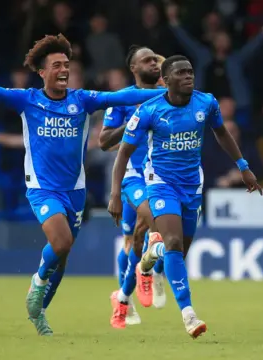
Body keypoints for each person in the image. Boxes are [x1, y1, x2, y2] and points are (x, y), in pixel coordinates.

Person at [0, 34, 165, 336]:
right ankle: (37, 281)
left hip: (75, 191)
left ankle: (40, 313)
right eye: (56, 65)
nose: (64, 70)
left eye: (66, 64)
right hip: (42, 188)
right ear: (42, 72)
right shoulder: (28, 99)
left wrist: (167, 94)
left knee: (62, 258)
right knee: (61, 243)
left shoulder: (82, 100)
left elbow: (121, 97)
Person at [108, 55, 262, 339]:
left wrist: (243, 167)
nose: (189, 76)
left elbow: (222, 133)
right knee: (174, 243)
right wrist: (115, 193)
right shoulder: (149, 110)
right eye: (181, 73)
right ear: (166, 81)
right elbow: (123, 153)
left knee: (173, 253)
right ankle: (189, 314)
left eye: (190, 71)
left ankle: (148, 260)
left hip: (192, 186)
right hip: (161, 184)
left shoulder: (206, 103)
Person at [98, 45, 166, 329]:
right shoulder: (122, 99)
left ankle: (123, 297)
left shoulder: (167, 96)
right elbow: (104, 142)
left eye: (155, 59)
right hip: (132, 176)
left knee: (141, 236)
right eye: (147, 60)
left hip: (160, 175)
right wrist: (131, 121)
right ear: (133, 69)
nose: (153, 63)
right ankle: (149, 274)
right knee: (143, 230)